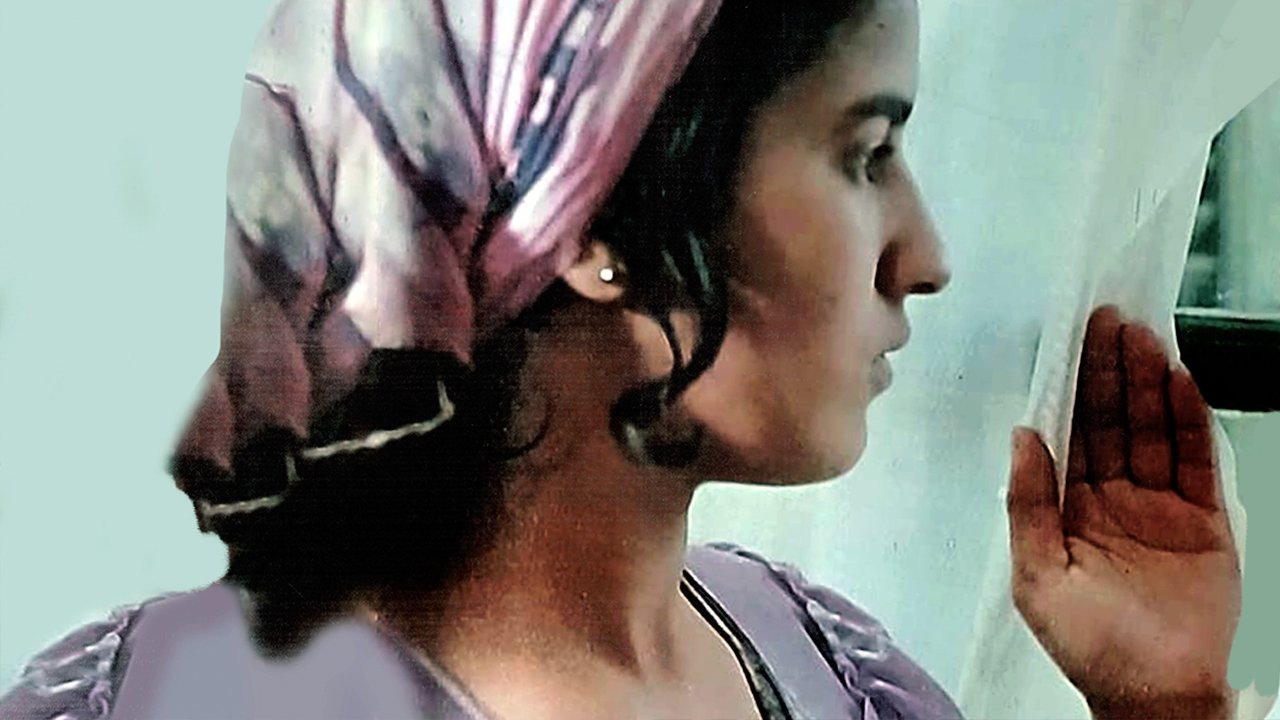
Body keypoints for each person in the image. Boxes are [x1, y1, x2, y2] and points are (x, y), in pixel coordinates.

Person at [1, 0, 1242, 718]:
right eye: (862, 156)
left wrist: (1162, 708)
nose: (923, 257)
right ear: (597, 218)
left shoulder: (828, 666)